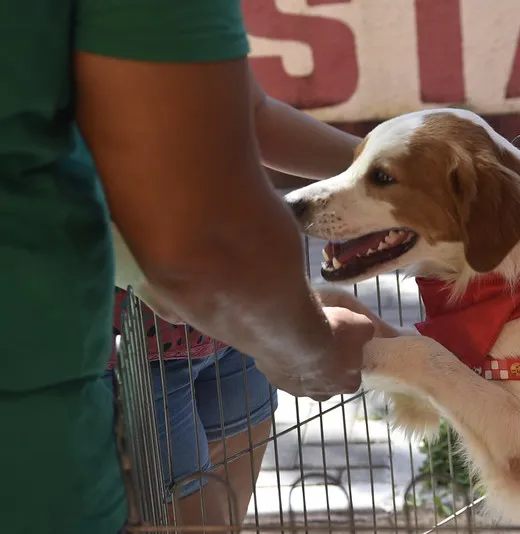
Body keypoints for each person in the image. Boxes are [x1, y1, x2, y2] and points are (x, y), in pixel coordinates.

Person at [0, 1, 374, 533]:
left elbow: (249, 112)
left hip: (215, 338)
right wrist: (305, 347)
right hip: (125, 349)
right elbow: (201, 250)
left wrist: (388, 166)